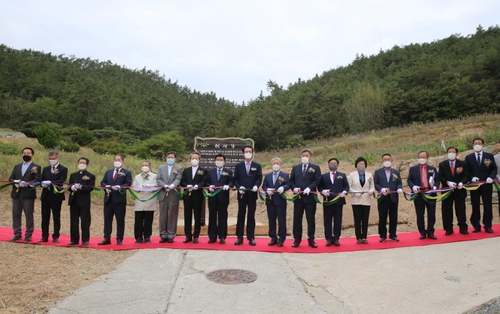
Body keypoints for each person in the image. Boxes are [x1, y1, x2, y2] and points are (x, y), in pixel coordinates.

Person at [465, 137, 498, 233]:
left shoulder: (489, 156)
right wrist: (471, 178)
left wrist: (491, 177)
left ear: (483, 145)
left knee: (487, 205)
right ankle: (476, 225)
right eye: (475, 143)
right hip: (474, 185)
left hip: (486, 184)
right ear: (473, 145)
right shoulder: (469, 157)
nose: (477, 145)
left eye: (479, 143)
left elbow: (494, 169)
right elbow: (467, 171)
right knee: (475, 205)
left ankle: (487, 225)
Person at [9, 147, 41, 242]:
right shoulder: (17, 166)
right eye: (24, 153)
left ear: (32, 155)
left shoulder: (36, 167)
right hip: (16, 194)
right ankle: (17, 233)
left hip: (28, 194)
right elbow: (11, 178)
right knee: (16, 214)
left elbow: (37, 180)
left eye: (28, 153)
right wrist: (14, 181)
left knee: (28, 215)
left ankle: (28, 234)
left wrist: (27, 184)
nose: (26, 154)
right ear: (22, 154)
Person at [290, 149, 321, 248]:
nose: (304, 157)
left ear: (310, 157)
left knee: (310, 219)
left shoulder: (315, 167)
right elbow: (291, 180)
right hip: (298, 198)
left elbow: (317, 180)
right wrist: (294, 187)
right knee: (297, 219)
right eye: (303, 155)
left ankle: (311, 239)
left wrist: (310, 188)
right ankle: (297, 240)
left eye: (306, 155)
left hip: (310, 198)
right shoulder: (295, 168)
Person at [99, 154, 132, 245]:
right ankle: (106, 238)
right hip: (108, 199)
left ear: (122, 161)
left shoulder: (127, 172)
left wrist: (120, 187)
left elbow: (128, 184)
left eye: (119, 160)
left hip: (119, 200)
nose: (117, 161)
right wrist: (106, 186)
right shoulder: (108, 172)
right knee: (107, 219)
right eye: (115, 160)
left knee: (120, 220)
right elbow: (103, 181)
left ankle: (119, 238)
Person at [407, 150, 440, 240]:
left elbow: (437, 180)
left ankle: (430, 232)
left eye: (424, 157)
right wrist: (413, 186)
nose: (422, 159)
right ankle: (422, 232)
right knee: (420, 214)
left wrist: (435, 187)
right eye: (420, 157)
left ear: (427, 158)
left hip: (430, 194)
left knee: (431, 213)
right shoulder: (413, 169)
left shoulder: (432, 169)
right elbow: (409, 180)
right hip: (418, 194)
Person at [233, 145, 263, 246]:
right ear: (243, 153)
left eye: (250, 151)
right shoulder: (238, 166)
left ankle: (251, 238)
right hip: (242, 194)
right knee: (241, 215)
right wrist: (239, 187)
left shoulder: (257, 165)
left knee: (251, 216)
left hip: (252, 194)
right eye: (246, 151)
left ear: (252, 153)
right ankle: (239, 237)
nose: (248, 153)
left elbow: (259, 178)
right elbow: (235, 179)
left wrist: (256, 185)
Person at [438, 147, 470, 235]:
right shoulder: (442, 164)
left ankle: (463, 228)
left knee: (460, 209)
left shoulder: (462, 164)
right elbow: (440, 176)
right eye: (449, 152)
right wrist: (447, 182)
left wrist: (461, 183)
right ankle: (448, 229)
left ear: (456, 153)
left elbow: (466, 175)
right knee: (446, 210)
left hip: (459, 190)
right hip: (447, 190)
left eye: (453, 152)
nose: (451, 153)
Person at [318, 158, 349, 247]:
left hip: (338, 202)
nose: (333, 164)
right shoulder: (323, 176)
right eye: (331, 163)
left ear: (338, 165)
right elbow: (319, 187)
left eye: (334, 163)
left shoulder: (342, 175)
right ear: (328, 164)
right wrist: (322, 191)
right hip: (327, 201)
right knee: (327, 221)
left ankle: (336, 238)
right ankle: (328, 238)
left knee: (338, 221)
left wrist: (345, 192)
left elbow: (346, 186)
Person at [39, 151, 68, 243]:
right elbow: (41, 180)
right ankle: (44, 236)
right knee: (44, 217)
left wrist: (51, 183)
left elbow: (61, 180)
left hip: (56, 196)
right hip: (46, 195)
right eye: (50, 159)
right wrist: (42, 184)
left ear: (57, 158)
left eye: (53, 159)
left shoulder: (63, 168)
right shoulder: (46, 169)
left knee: (56, 216)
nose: (52, 160)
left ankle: (55, 236)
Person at [373, 154, 403, 242]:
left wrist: (399, 188)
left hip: (393, 198)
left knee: (393, 217)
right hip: (383, 197)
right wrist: (381, 189)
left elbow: (399, 182)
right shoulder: (378, 172)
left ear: (391, 160)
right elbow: (375, 184)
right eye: (385, 159)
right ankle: (382, 235)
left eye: (388, 159)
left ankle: (393, 234)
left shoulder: (396, 172)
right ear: (382, 161)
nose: (387, 160)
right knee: (382, 217)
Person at [262, 157, 290, 247]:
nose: (275, 165)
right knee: (271, 220)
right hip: (270, 201)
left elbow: (289, 184)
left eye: (277, 163)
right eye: (274, 163)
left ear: (280, 164)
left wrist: (283, 187)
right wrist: (267, 189)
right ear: (271, 165)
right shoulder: (267, 176)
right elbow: (264, 186)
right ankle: (273, 238)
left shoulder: (285, 175)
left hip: (280, 201)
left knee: (281, 220)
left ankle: (281, 239)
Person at [205, 154, 233, 244]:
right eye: (217, 159)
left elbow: (231, 182)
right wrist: (209, 186)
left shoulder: (228, 171)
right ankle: (212, 236)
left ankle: (222, 236)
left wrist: (227, 186)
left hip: (223, 198)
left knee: (223, 217)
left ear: (224, 162)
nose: (219, 161)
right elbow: (206, 182)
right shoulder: (210, 171)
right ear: (215, 161)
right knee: (212, 217)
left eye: (221, 160)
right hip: (212, 197)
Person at [180, 152, 207, 244]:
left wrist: (197, 185)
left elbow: (204, 181)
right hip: (187, 196)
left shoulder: (203, 170)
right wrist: (187, 185)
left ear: (199, 160)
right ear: (190, 159)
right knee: (187, 216)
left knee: (197, 216)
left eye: (196, 158)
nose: (194, 160)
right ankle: (188, 235)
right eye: (193, 158)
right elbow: (182, 181)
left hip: (198, 196)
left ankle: (196, 236)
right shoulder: (186, 170)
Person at [156, 151, 183, 243]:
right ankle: (163, 234)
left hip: (173, 193)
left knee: (172, 214)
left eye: (172, 157)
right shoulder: (161, 168)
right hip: (163, 193)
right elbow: (158, 179)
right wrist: (164, 185)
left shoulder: (178, 168)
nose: (170, 159)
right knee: (163, 215)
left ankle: (171, 234)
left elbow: (178, 179)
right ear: (166, 158)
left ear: (175, 159)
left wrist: (172, 186)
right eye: (168, 157)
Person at [68, 157, 95, 246]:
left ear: (87, 164)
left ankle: (85, 240)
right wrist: (72, 187)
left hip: (84, 201)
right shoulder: (73, 175)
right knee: (74, 221)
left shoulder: (90, 176)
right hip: (74, 200)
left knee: (85, 221)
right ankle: (74, 239)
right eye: (80, 162)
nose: (81, 164)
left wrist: (81, 187)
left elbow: (91, 187)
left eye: (83, 162)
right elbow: (69, 186)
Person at [348, 157, 375, 244]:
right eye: (359, 164)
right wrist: (354, 192)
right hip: (356, 199)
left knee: (365, 219)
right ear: (356, 165)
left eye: (363, 164)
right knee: (357, 219)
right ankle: (358, 237)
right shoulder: (352, 175)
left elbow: (372, 186)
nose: (361, 166)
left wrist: (371, 191)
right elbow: (348, 187)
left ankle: (364, 236)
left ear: (365, 165)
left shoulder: (369, 175)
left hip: (366, 199)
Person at [132, 160, 158, 244]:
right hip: (140, 200)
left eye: (146, 165)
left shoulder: (154, 176)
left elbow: (157, 186)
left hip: (149, 200)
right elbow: (133, 187)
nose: (144, 167)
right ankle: (138, 237)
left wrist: (150, 186)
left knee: (148, 220)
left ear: (149, 167)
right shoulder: (137, 177)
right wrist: (138, 187)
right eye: (143, 165)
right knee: (138, 220)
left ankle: (147, 236)